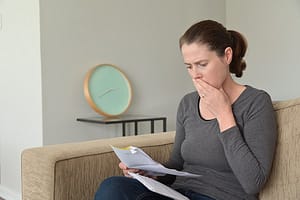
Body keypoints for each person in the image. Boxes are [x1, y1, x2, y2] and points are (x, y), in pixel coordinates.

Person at [94, 19, 278, 200]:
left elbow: (253, 182)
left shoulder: (256, 102)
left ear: (227, 56)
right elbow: (177, 165)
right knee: (113, 187)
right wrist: (150, 172)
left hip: (222, 196)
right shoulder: (188, 103)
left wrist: (224, 114)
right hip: (179, 193)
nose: (195, 74)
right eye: (189, 67)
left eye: (202, 64)